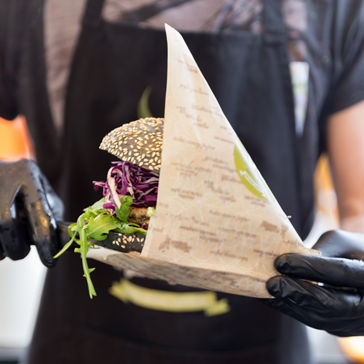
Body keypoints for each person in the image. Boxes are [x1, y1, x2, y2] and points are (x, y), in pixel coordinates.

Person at [1, 0, 364, 363]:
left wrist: (356, 270)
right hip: (78, 339)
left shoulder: (333, 10)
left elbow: (359, 206)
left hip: (265, 341)